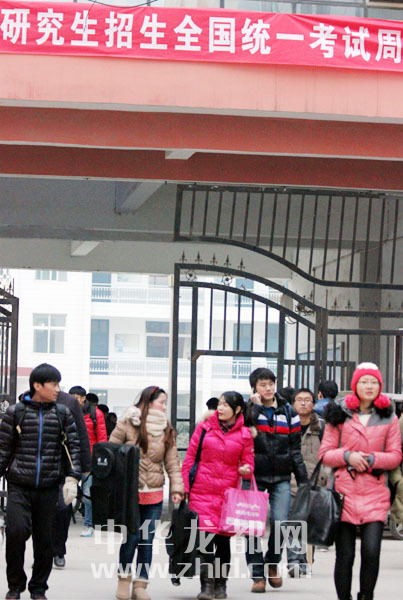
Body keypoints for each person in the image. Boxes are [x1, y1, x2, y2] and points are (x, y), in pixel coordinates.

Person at [319, 362, 402, 600]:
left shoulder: (388, 417)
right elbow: (325, 454)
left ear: (380, 386)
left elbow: (396, 455)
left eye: (374, 382)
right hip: (343, 493)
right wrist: (348, 456)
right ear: (355, 385)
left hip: (375, 492)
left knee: (371, 552)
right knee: (345, 555)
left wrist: (372, 459)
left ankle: (366, 596)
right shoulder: (339, 414)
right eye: (364, 381)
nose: (369, 386)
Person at [0, 364, 81, 600]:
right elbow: (3, 450)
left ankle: (38, 588)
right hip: (19, 485)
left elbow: (73, 448)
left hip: (49, 486)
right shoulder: (15, 413)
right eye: (53, 384)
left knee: (45, 540)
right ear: (37, 385)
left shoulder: (63, 414)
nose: (58, 389)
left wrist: (73, 477)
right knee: (16, 532)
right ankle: (15, 586)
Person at [110, 386, 184, 600]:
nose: (164, 407)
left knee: (146, 540)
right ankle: (124, 579)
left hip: (154, 493)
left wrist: (177, 488)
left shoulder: (166, 429)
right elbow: (110, 451)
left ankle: (141, 584)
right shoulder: (128, 422)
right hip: (130, 492)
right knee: (131, 537)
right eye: (161, 402)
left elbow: (172, 462)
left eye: (165, 403)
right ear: (149, 402)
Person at [182, 391, 254, 600]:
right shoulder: (204, 428)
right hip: (202, 492)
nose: (220, 408)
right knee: (204, 540)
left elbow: (248, 464)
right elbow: (190, 458)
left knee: (223, 542)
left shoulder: (245, 435)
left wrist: (245, 469)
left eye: (225, 405)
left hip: (227, 496)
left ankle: (221, 585)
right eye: (219, 404)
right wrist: (184, 487)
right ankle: (206, 586)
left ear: (237, 409)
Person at [245, 367, 307, 593]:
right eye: (263, 385)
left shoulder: (289, 412)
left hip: (281, 476)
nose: (268, 388)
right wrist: (255, 407)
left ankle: (272, 562)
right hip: (254, 477)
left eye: (271, 384)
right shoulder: (249, 410)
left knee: (281, 523)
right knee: (252, 527)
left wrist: (303, 480)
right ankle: (257, 574)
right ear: (254, 388)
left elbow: (295, 449)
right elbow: (243, 433)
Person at [287, 388, 330, 576]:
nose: (303, 403)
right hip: (290, 483)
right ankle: (294, 560)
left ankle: (303, 559)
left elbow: (329, 455)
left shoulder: (322, 427)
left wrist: (325, 478)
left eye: (307, 400)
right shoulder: (287, 425)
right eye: (299, 400)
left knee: (309, 523)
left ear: (314, 404)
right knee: (293, 522)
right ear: (293, 404)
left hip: (314, 484)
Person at [52, 389, 91, 569]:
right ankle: (43, 550)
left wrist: (85, 465)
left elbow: (81, 434)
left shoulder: (69, 402)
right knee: (39, 511)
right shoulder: (29, 401)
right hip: (37, 466)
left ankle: (58, 549)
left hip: (63, 464)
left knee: (63, 507)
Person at [69, 386, 108, 537]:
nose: (73, 401)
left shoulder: (95, 414)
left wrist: (100, 461)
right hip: (70, 458)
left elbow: (102, 440)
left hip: (89, 459)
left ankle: (88, 524)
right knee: (65, 492)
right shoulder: (66, 412)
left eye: (76, 398)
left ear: (83, 398)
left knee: (88, 494)